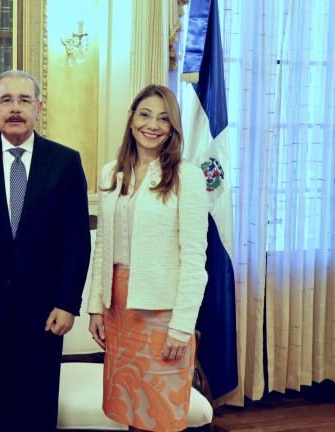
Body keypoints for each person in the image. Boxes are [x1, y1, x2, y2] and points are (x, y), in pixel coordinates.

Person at [0, 70, 91, 432]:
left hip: (45, 314)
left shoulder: (65, 162)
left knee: (37, 410)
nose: (15, 108)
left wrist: (68, 303)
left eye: (24, 100)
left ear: (38, 108)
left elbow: (76, 239)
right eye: (6, 99)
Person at [87, 84, 209, 432]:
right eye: (145, 114)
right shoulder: (112, 173)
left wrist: (182, 326)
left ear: (173, 128)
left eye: (164, 118)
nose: (152, 124)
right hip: (118, 308)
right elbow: (103, 249)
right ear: (131, 119)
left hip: (162, 312)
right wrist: (97, 305)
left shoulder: (187, 177)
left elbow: (194, 258)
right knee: (129, 412)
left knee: (159, 415)